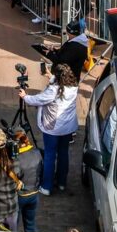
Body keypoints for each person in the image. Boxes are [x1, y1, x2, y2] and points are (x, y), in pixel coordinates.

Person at [20, 63, 78, 195]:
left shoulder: (53, 90)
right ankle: (62, 183)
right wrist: (50, 76)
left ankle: (46, 186)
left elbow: (38, 99)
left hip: (53, 128)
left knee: (50, 155)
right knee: (63, 154)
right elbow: (60, 84)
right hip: (67, 127)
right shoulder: (73, 86)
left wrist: (25, 96)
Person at [12, 127, 43, 232]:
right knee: (31, 226)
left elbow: (14, 176)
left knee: (14, 227)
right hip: (34, 194)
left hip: (20, 196)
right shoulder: (37, 153)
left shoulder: (17, 158)